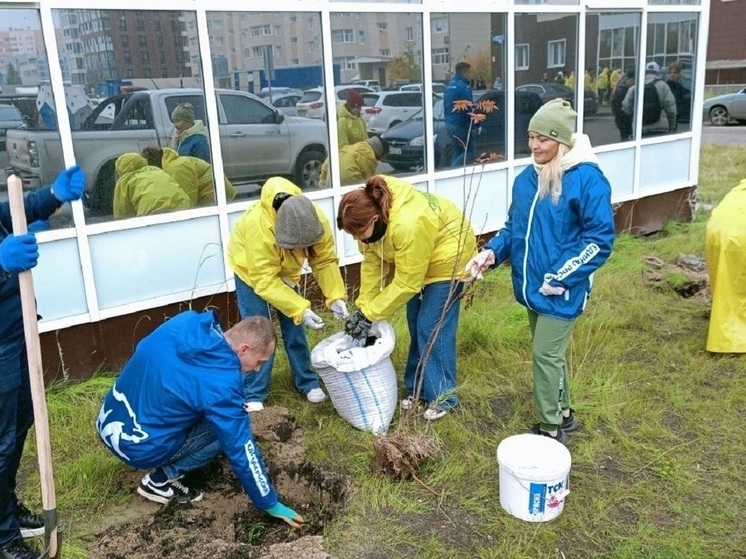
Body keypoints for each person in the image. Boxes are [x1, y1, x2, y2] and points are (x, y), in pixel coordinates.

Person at [465, 99, 615, 444]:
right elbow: (513, 228)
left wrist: (560, 276)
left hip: (564, 290)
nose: (534, 145)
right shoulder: (526, 179)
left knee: (544, 354)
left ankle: (549, 428)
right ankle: (563, 411)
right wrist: (491, 252)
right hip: (531, 287)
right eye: (531, 137)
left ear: (561, 140)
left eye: (543, 139)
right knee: (550, 352)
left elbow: (599, 240)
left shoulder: (588, 180)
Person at [95, 310, 305, 529]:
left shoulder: (185, 323)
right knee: (229, 426)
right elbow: (241, 448)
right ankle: (161, 479)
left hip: (109, 420)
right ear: (244, 349)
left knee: (207, 407)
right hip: (141, 448)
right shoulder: (222, 384)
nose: (257, 369)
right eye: (259, 361)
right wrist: (269, 502)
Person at [337, 175, 477, 421]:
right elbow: (373, 265)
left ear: (375, 219)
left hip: (448, 257)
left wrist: (371, 314)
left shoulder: (408, 224)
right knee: (415, 322)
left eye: (359, 233)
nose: (357, 239)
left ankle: (443, 396)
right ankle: (418, 389)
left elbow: (406, 283)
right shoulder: (371, 224)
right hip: (419, 259)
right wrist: (363, 308)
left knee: (431, 327)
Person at [1, 166, 85, 559]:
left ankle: (5, 509)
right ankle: (3, 538)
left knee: (17, 429)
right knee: (1, 441)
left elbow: (9, 213)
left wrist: (52, 195)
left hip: (16, 333)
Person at [227, 177, 348, 412]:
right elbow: (264, 280)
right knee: (257, 331)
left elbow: (323, 260)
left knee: (295, 328)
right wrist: (300, 307)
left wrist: (336, 296)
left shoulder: (313, 218)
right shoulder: (258, 227)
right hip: (251, 272)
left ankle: (307, 381)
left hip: (285, 271)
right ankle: (253, 392)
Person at [705, 178, 746, 353]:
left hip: (719, 230)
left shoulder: (739, 189)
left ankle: (726, 332)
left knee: (728, 285)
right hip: (739, 234)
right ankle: (733, 340)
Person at [141, 146, 237, 206]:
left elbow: (187, 198)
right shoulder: (173, 164)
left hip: (214, 195)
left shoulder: (176, 169)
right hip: (213, 193)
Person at [112, 153, 192, 218]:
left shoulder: (124, 181)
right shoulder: (156, 170)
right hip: (183, 205)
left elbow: (122, 211)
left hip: (153, 213)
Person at [622, 61, 677, 137]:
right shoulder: (664, 86)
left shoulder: (635, 87)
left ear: (645, 72)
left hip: (640, 127)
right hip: (661, 127)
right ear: (657, 73)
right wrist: (672, 126)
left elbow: (626, 106)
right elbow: (671, 109)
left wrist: (635, 116)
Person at [319, 136, 387, 187]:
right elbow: (369, 180)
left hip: (331, 183)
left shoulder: (351, 147)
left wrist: (323, 180)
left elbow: (326, 164)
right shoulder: (370, 157)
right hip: (351, 186)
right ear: (379, 152)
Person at [444, 62, 476, 167]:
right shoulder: (463, 87)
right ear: (464, 72)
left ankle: (453, 172)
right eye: (469, 72)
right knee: (469, 152)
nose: (470, 75)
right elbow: (469, 107)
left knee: (458, 151)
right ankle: (452, 169)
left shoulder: (449, 87)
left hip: (450, 124)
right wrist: (477, 124)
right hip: (461, 125)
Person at [611, 68, 635, 141]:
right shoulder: (624, 89)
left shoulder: (621, 87)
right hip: (625, 121)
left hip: (622, 120)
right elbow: (617, 108)